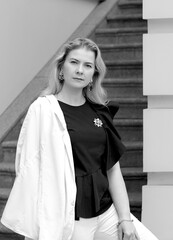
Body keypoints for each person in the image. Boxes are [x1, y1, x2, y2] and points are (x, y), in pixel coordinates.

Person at [1, 38, 159, 240]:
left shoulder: (100, 112)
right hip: (70, 217)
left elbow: (112, 169)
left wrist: (125, 218)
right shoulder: (43, 109)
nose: (80, 70)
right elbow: (30, 169)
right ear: (61, 69)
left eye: (87, 65)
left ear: (93, 74)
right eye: (74, 62)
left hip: (105, 210)